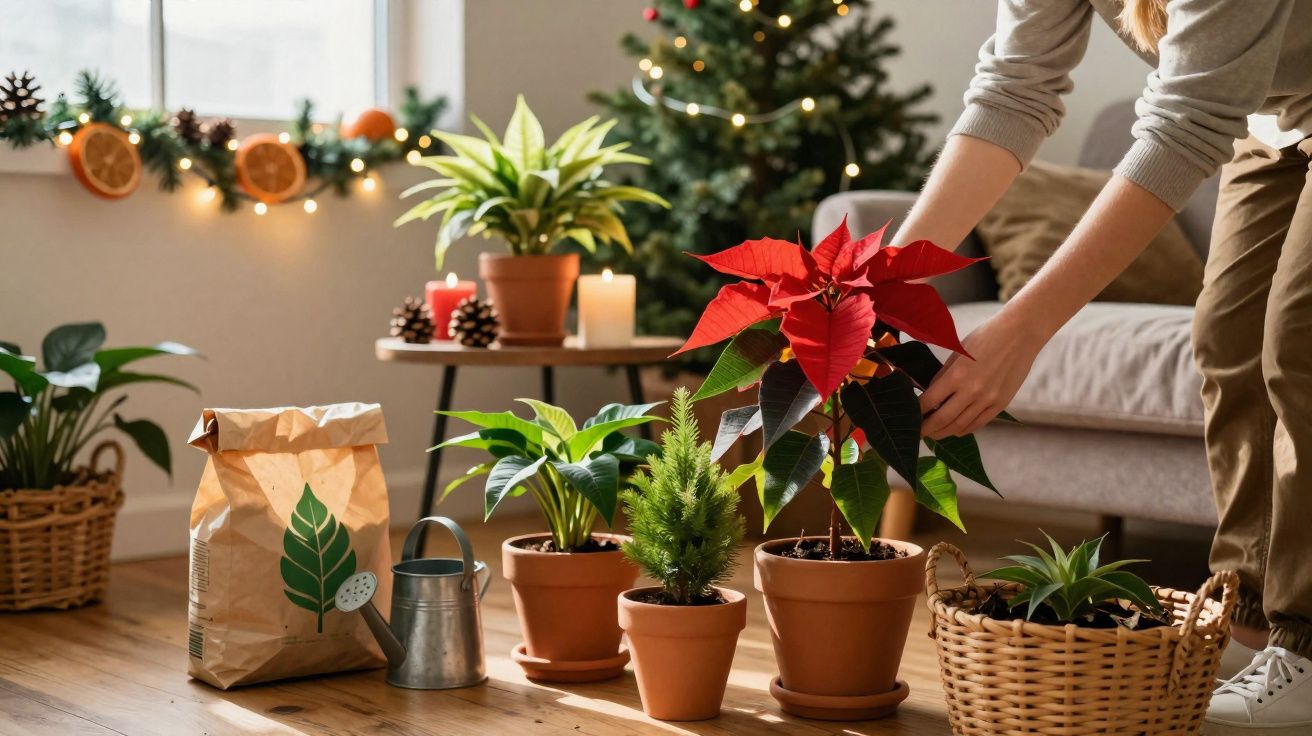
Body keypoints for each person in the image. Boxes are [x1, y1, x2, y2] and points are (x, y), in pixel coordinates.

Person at [896, 1, 1312, 732]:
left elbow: (1185, 123)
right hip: (1273, 118)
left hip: (1236, 107)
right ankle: (1246, 625)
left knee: (1298, 346)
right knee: (1228, 341)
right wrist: (883, 285)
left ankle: (1308, 647)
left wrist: (1023, 328)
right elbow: (1014, 89)